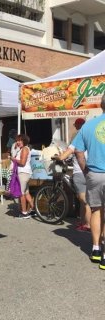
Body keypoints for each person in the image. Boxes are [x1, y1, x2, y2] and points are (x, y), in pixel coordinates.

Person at [72, 93, 105, 269]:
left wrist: (85, 170)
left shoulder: (89, 125)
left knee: (97, 210)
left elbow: (78, 151)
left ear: (101, 105)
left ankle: (96, 249)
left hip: (94, 174)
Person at [57, 118, 91, 232]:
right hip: (92, 172)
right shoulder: (91, 137)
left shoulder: (77, 137)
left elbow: (66, 154)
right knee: (84, 201)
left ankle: (88, 225)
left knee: (85, 202)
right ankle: (83, 222)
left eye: (76, 124)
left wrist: (59, 157)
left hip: (81, 173)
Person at [11, 134, 34, 219]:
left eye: (20, 140)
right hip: (25, 173)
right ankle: (33, 209)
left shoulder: (24, 149)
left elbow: (22, 162)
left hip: (23, 173)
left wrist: (13, 159)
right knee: (26, 192)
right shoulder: (23, 149)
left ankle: (24, 213)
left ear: (24, 141)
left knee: (22, 193)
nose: (18, 142)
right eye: (17, 140)